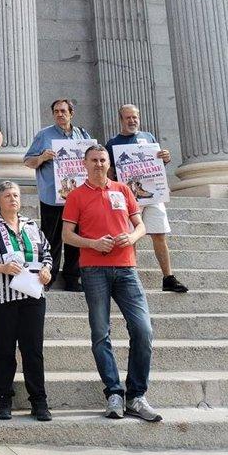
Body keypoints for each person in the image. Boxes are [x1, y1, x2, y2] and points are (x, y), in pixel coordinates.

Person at [61, 144, 162, 422]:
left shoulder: (123, 189)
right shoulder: (76, 196)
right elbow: (67, 235)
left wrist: (132, 237)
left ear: (109, 163)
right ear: (85, 164)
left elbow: (140, 225)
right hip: (93, 270)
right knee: (100, 333)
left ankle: (137, 395)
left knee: (143, 330)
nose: (99, 164)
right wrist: (93, 243)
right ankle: (114, 392)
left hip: (127, 268)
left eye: (103, 160)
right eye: (93, 160)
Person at [0, 181, 53, 421]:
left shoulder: (31, 225)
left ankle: (39, 401)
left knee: (33, 351)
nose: (13, 199)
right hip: (1, 300)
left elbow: (46, 252)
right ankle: (4, 399)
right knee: (4, 352)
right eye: (7, 196)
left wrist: (47, 269)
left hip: (32, 297)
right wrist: (1, 267)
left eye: (16, 195)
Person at [105, 104, 188, 294]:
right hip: (129, 198)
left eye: (135, 117)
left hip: (153, 195)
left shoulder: (148, 137)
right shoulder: (113, 143)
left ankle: (168, 277)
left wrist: (165, 158)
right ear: (121, 120)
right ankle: (131, 278)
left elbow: (157, 163)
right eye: (128, 118)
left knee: (159, 235)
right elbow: (109, 173)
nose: (132, 121)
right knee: (131, 238)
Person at [23, 99, 92, 291]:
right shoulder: (44, 135)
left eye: (63, 111)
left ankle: (72, 278)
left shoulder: (82, 135)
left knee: (75, 239)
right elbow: (28, 161)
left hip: (78, 197)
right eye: (56, 111)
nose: (59, 114)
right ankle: (49, 277)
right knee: (51, 238)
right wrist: (42, 157)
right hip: (52, 196)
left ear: (71, 113)